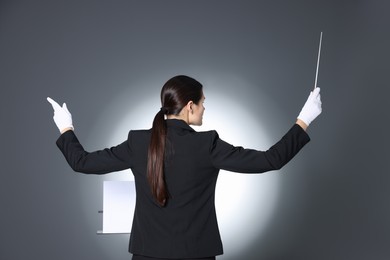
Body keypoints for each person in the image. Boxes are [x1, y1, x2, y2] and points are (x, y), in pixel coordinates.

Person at [47, 75, 322, 260]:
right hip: (197, 255)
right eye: (203, 104)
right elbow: (269, 160)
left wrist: (65, 126)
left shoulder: (137, 142)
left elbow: (81, 162)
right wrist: (303, 120)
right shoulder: (207, 144)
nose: (204, 110)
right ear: (190, 106)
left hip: (146, 255)